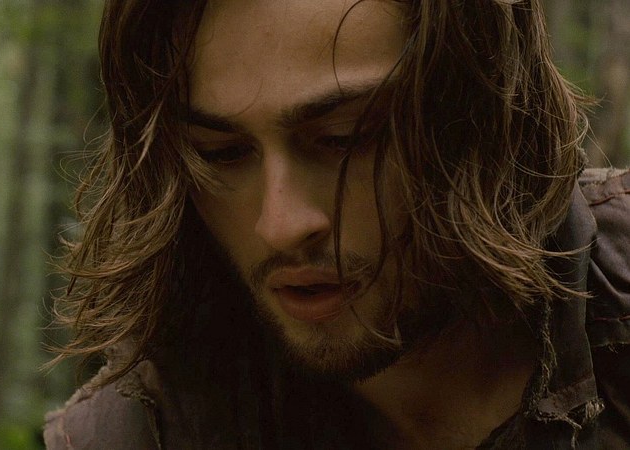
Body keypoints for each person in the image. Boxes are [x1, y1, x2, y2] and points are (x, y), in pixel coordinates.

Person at [45, 0, 630, 448]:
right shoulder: (146, 429)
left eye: (344, 139)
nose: (280, 226)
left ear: (483, 116)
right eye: (221, 153)